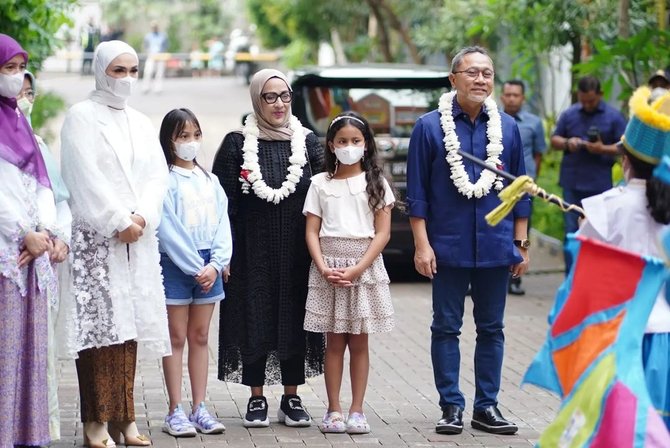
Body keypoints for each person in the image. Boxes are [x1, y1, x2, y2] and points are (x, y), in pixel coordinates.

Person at [406, 46, 530, 436]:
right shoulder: (429, 127)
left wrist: (521, 243)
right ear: (453, 78)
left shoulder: (508, 129)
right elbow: (418, 193)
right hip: (447, 246)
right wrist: (422, 245)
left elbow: (520, 189)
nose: (481, 80)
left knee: (492, 328)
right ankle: (451, 406)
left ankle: (486, 406)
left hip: (496, 247)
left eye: (487, 73)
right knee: (446, 327)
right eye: (472, 72)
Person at [59, 40, 171, 448]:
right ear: (101, 70)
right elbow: (81, 174)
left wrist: (142, 217)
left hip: (136, 244)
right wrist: (117, 220)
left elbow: (158, 177)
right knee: (98, 331)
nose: (125, 79)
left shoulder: (141, 122)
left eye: (132, 71)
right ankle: (96, 422)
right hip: (98, 242)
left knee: (128, 332)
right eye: (117, 70)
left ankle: (126, 420)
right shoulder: (81, 117)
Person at [212, 68, 325, 428]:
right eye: (270, 96)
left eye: (285, 96)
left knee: (295, 321)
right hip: (250, 252)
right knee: (253, 319)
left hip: (298, 253)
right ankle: (256, 397)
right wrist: (223, 253)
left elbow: (325, 198)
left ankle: (292, 398)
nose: (279, 104)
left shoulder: (308, 144)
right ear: (256, 99)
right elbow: (223, 204)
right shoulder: (236, 143)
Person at [578, 86, 670, 430]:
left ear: (624, 159)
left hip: (618, 336)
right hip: (666, 336)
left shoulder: (606, 206)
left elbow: (586, 274)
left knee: (621, 428)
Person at [302, 112, 395, 434]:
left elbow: (382, 233)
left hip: (363, 266)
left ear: (366, 145)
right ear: (331, 145)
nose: (349, 147)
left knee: (359, 343)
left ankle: (357, 409)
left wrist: (358, 268)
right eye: (342, 141)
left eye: (355, 141)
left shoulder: (377, 184)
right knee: (333, 344)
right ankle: (333, 409)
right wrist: (323, 265)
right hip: (328, 265)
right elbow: (312, 230)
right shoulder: (319, 183)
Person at [0, 32, 61, 448]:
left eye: (21, 69)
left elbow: (43, 183)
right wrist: (21, 233)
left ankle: (27, 435)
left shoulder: (20, 120)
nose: (17, 77)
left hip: (32, 254)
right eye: (9, 69)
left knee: (30, 349)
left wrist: (45, 232)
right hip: (8, 252)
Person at [157, 108, 232, 437]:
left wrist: (216, 263)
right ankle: (175, 410)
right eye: (183, 136)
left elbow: (222, 224)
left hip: (209, 265)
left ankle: (199, 406)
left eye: (195, 135)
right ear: (169, 140)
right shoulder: (164, 180)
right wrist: (194, 265)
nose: (191, 142)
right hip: (176, 264)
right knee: (175, 338)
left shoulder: (210, 180)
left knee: (200, 337)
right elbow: (168, 229)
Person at [18, 69, 73, 442]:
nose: (24, 100)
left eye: (29, 93)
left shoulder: (37, 145)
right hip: (13, 261)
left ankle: (36, 429)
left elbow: (61, 200)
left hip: (41, 269)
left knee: (40, 353)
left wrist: (60, 238)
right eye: (17, 92)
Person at [549, 76, 627, 274]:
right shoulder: (570, 114)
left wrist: (602, 148)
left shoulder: (614, 116)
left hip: (599, 185)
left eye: (591, 101)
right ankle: (571, 277)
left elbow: (624, 147)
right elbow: (555, 139)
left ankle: (593, 277)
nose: (587, 105)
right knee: (571, 233)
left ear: (600, 94)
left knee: (598, 233)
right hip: (572, 182)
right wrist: (569, 143)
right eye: (583, 100)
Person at [500, 79, 547, 295]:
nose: (511, 99)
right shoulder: (492, 120)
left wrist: (531, 178)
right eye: (507, 95)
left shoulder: (534, 123)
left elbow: (538, 154)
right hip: (498, 186)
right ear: (502, 96)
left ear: (522, 98)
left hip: (524, 187)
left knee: (522, 229)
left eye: (515, 95)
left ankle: (516, 276)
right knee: (497, 228)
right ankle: (493, 274)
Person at [142, 22, 168, 93]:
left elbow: (166, 45)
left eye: (155, 27)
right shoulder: (148, 36)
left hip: (160, 55)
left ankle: (158, 88)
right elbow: (146, 46)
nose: (154, 28)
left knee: (159, 73)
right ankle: (146, 87)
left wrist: (163, 53)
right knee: (148, 72)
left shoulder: (163, 35)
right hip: (151, 55)